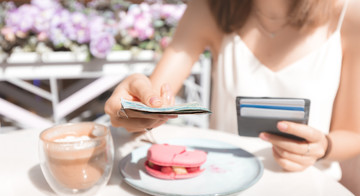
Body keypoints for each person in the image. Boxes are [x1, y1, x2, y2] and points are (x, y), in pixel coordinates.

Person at [105, 0, 360, 177]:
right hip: (225, 185)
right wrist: (133, 106)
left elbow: (352, 134)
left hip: (313, 193)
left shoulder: (349, 15)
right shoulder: (208, 9)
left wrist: (322, 147)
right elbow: (152, 103)